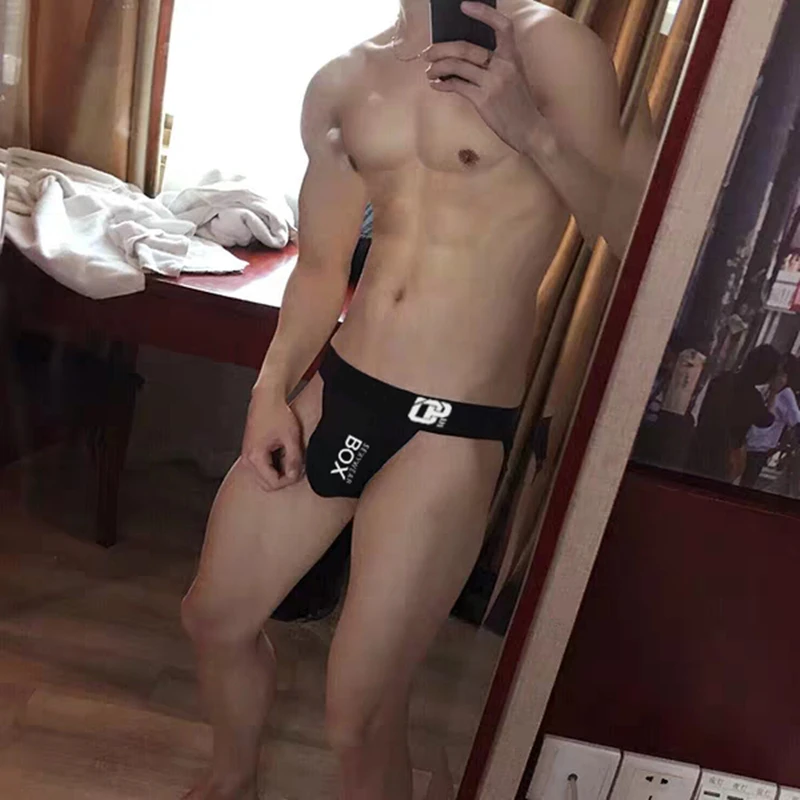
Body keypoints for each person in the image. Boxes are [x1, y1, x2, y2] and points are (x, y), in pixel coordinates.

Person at [181, 2, 650, 798]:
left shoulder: (553, 50)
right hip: (343, 390)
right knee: (213, 618)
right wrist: (270, 390)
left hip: (449, 430)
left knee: (359, 716)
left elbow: (644, 235)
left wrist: (532, 132)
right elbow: (321, 268)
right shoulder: (346, 77)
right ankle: (232, 782)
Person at [687, 345, 781, 484]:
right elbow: (766, 420)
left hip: (698, 444)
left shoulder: (722, 379)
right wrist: (773, 392)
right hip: (723, 456)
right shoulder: (753, 398)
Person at [742, 354, 800, 489]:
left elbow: (796, 422)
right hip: (745, 444)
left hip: (759, 449)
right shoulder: (764, 388)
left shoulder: (786, 395)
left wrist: (783, 448)